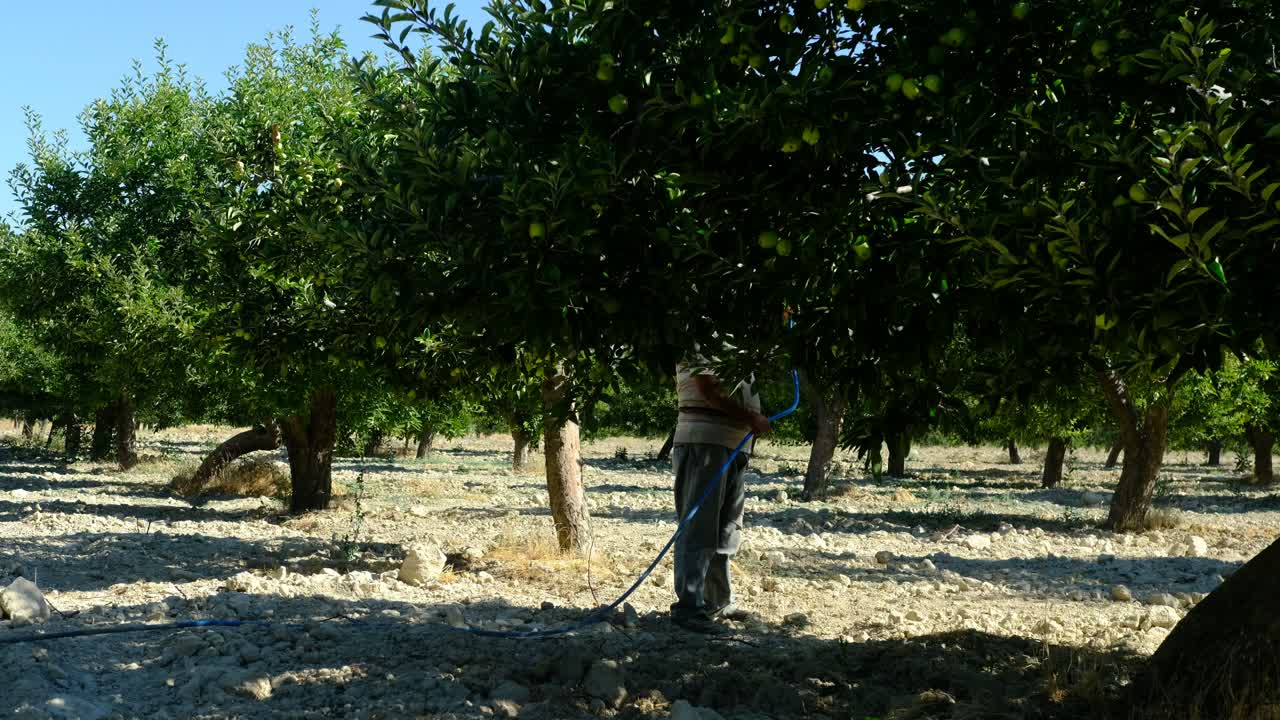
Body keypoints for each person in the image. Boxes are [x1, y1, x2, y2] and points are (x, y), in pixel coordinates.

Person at [670, 359, 771, 633]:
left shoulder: (738, 345)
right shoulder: (703, 340)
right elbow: (709, 392)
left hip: (732, 445)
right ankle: (689, 608)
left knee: (726, 530)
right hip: (705, 441)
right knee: (698, 528)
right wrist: (751, 418)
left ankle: (717, 601)